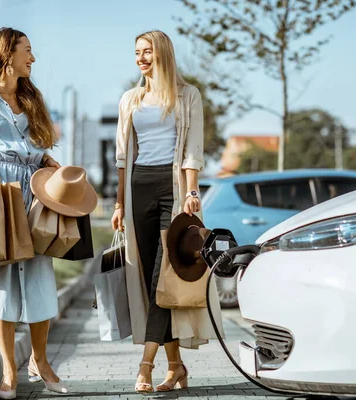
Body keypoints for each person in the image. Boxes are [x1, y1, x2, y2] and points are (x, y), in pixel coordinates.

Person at [111, 30, 224, 393]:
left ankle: (145, 366)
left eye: (147, 52)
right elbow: (121, 158)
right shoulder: (130, 99)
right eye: (136, 52)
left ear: (163, 55)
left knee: (164, 275)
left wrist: (191, 192)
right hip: (138, 187)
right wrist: (118, 203)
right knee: (150, 282)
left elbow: (192, 151)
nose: (141, 58)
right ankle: (176, 367)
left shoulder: (188, 96)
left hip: (172, 190)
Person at [0, 27, 67, 399]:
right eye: (27, 51)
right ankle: (8, 372)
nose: (32, 59)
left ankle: (40, 360)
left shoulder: (32, 99)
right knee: (2, 281)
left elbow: (37, 146)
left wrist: (46, 158)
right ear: (7, 55)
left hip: (34, 191)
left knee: (38, 277)